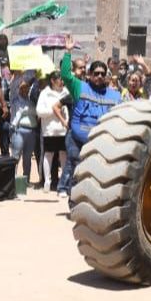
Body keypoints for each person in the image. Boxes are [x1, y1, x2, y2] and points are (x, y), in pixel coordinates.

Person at [58, 34, 123, 200]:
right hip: (78, 140)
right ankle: (74, 203)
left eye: (102, 74)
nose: (99, 76)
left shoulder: (115, 95)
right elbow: (65, 75)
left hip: (101, 144)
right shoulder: (80, 87)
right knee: (77, 169)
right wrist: (68, 52)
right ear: (90, 74)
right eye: (96, 73)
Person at [37, 73, 69, 192]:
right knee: (48, 155)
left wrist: (66, 120)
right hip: (49, 131)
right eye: (59, 79)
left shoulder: (66, 92)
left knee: (63, 155)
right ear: (52, 81)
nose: (61, 82)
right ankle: (47, 181)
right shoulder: (44, 93)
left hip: (63, 130)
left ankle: (64, 181)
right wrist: (54, 111)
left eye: (62, 79)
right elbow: (39, 111)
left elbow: (68, 109)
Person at [8, 72, 41, 183]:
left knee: (27, 158)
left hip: (31, 131)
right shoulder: (15, 100)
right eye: (22, 88)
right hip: (19, 130)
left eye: (26, 88)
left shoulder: (32, 101)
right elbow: (13, 86)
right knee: (16, 156)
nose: (25, 90)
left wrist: (35, 76)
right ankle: (11, 179)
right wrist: (18, 75)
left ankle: (25, 180)